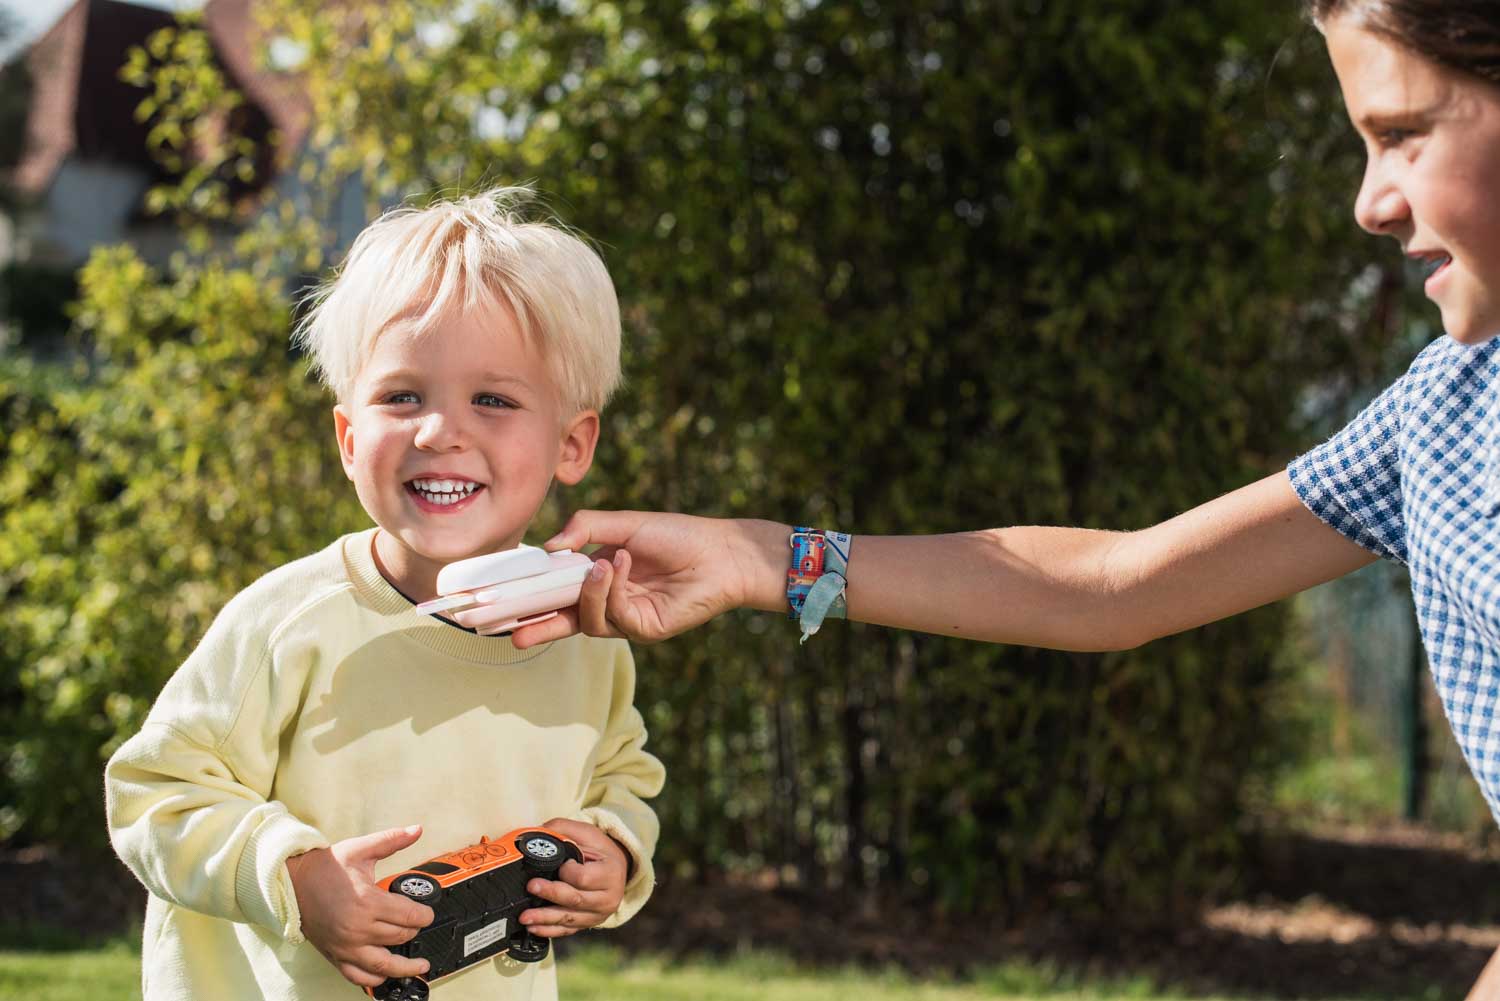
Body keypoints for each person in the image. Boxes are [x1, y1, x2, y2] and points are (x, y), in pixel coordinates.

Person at [498, 2, 1500, 994]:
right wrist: (761, 558)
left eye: (1403, 134)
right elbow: (1113, 584)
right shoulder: (1440, 414)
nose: (1371, 201)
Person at [104, 188, 665, 1001]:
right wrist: (293, 875)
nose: (439, 430)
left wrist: (614, 851)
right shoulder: (289, 623)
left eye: (494, 399)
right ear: (348, 436)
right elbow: (156, 792)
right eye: (403, 396)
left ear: (571, 443)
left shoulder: (581, 629)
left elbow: (622, 774)